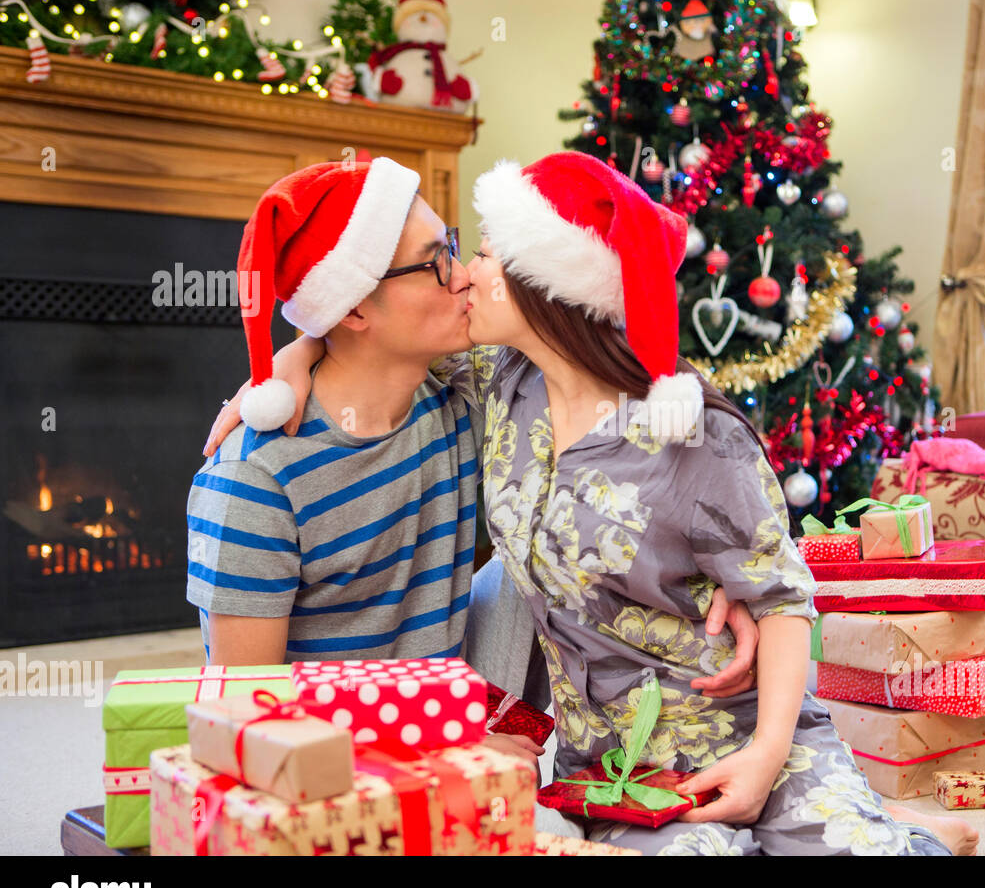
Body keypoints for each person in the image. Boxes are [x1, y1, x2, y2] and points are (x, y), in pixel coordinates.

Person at [196, 158, 761, 774]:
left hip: (447, 702)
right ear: (354, 308)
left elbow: (619, 371)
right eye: (436, 261)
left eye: (458, 249)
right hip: (333, 768)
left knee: (551, 536)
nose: (465, 277)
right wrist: (433, 741)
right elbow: (242, 713)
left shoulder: (467, 394)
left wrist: (718, 570)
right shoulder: (257, 480)